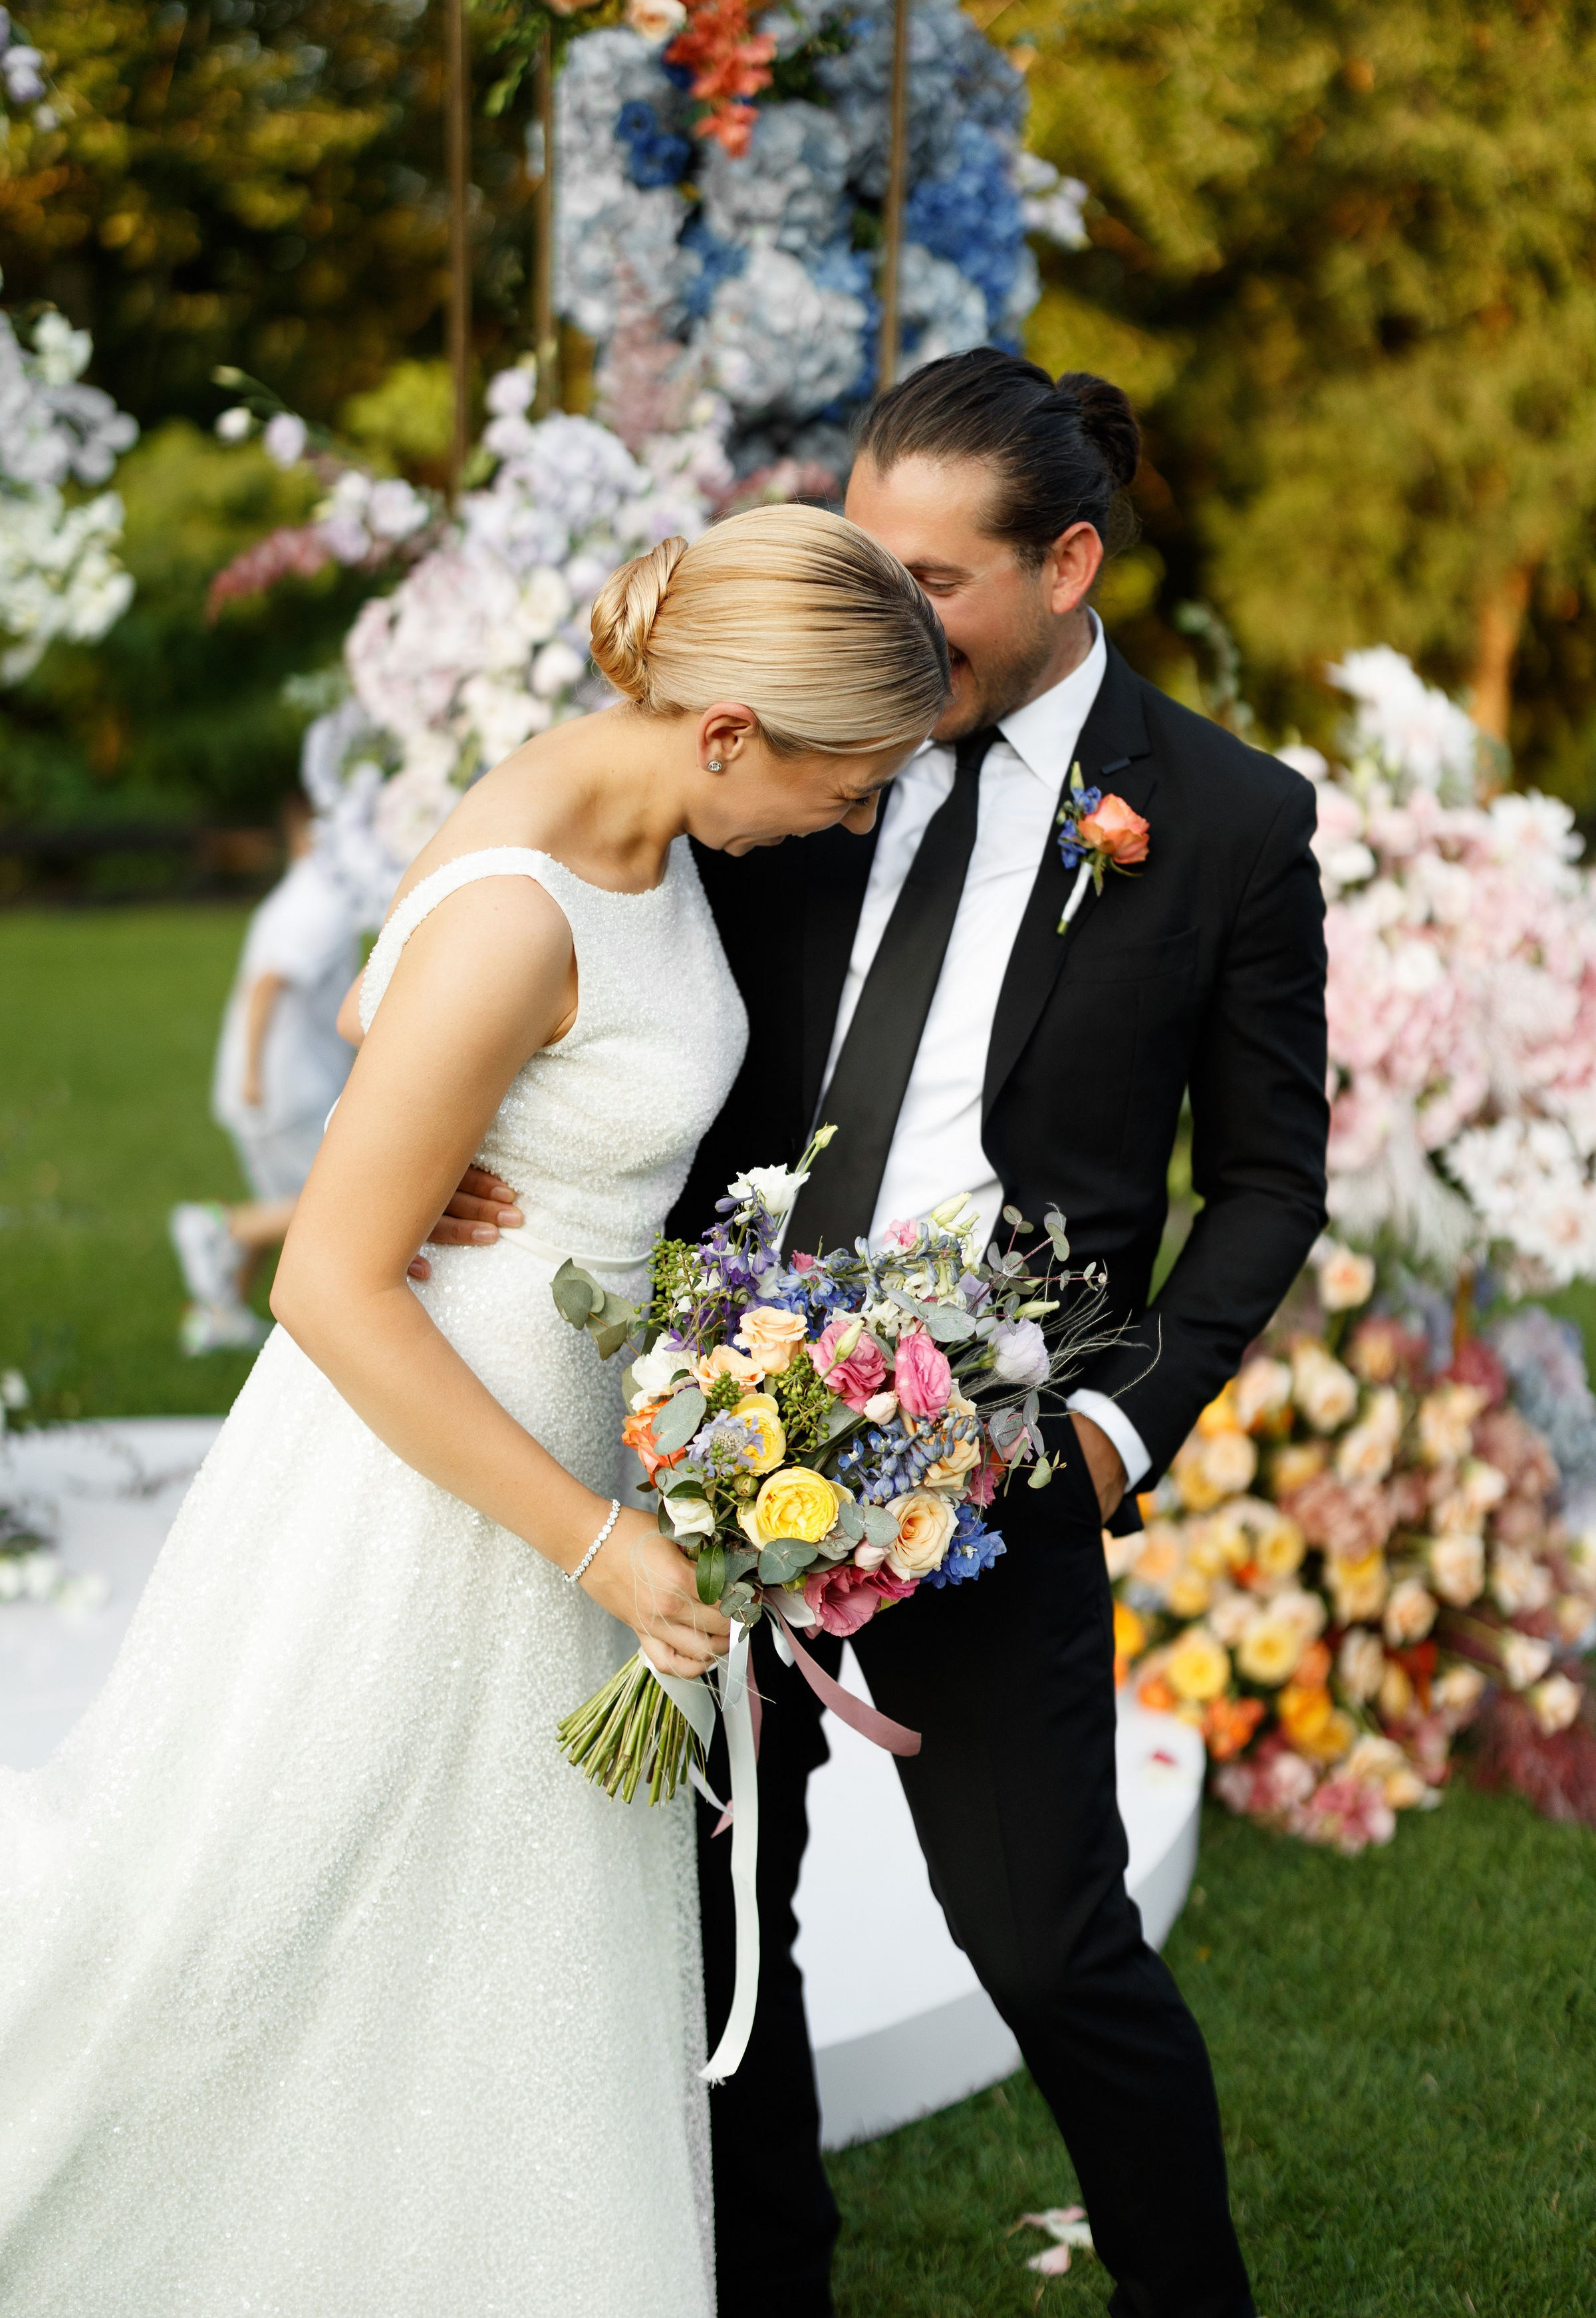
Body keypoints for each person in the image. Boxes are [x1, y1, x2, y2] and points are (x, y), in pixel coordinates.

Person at [0, 506, 949, 2315]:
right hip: (428, 1482)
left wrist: (443, 1135)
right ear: (733, 733)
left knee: (477, 1956)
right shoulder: (533, 895)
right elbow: (322, 1281)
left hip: (560, 1440)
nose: (850, 822)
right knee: (248, 1921)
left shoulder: (617, 802)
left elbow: (391, 988)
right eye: (847, 788)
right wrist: (597, 1540)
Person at [678, 353, 1329, 2318]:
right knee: (714, 1931)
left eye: (933, 580)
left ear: (1066, 560)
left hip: (994, 1467)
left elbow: (1268, 1184)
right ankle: (763, 2285)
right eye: (863, 563)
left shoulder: (1219, 819)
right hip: (715, 1435)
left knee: (1047, 1944)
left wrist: (1105, 1438)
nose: (884, 617)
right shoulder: (799, 746)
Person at [169, 790, 360, 1354]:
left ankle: (216, 1314)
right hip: (288, 1087)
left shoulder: (295, 896)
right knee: (331, 1207)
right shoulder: (321, 906)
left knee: (281, 1203)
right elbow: (268, 984)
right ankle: (214, 1226)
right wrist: (256, 1074)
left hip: (266, 1085)